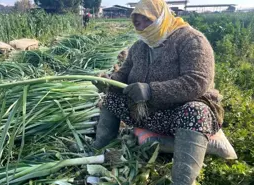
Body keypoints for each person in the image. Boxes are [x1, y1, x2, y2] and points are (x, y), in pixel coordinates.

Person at [92, 0, 224, 184]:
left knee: (195, 111)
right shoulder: (139, 47)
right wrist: (107, 83)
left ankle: (182, 180)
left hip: (179, 115)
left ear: (160, 17)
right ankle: (100, 147)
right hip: (146, 113)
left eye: (146, 20)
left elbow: (197, 81)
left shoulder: (191, 40)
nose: (141, 27)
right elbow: (122, 75)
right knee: (112, 98)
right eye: (137, 23)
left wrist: (151, 90)